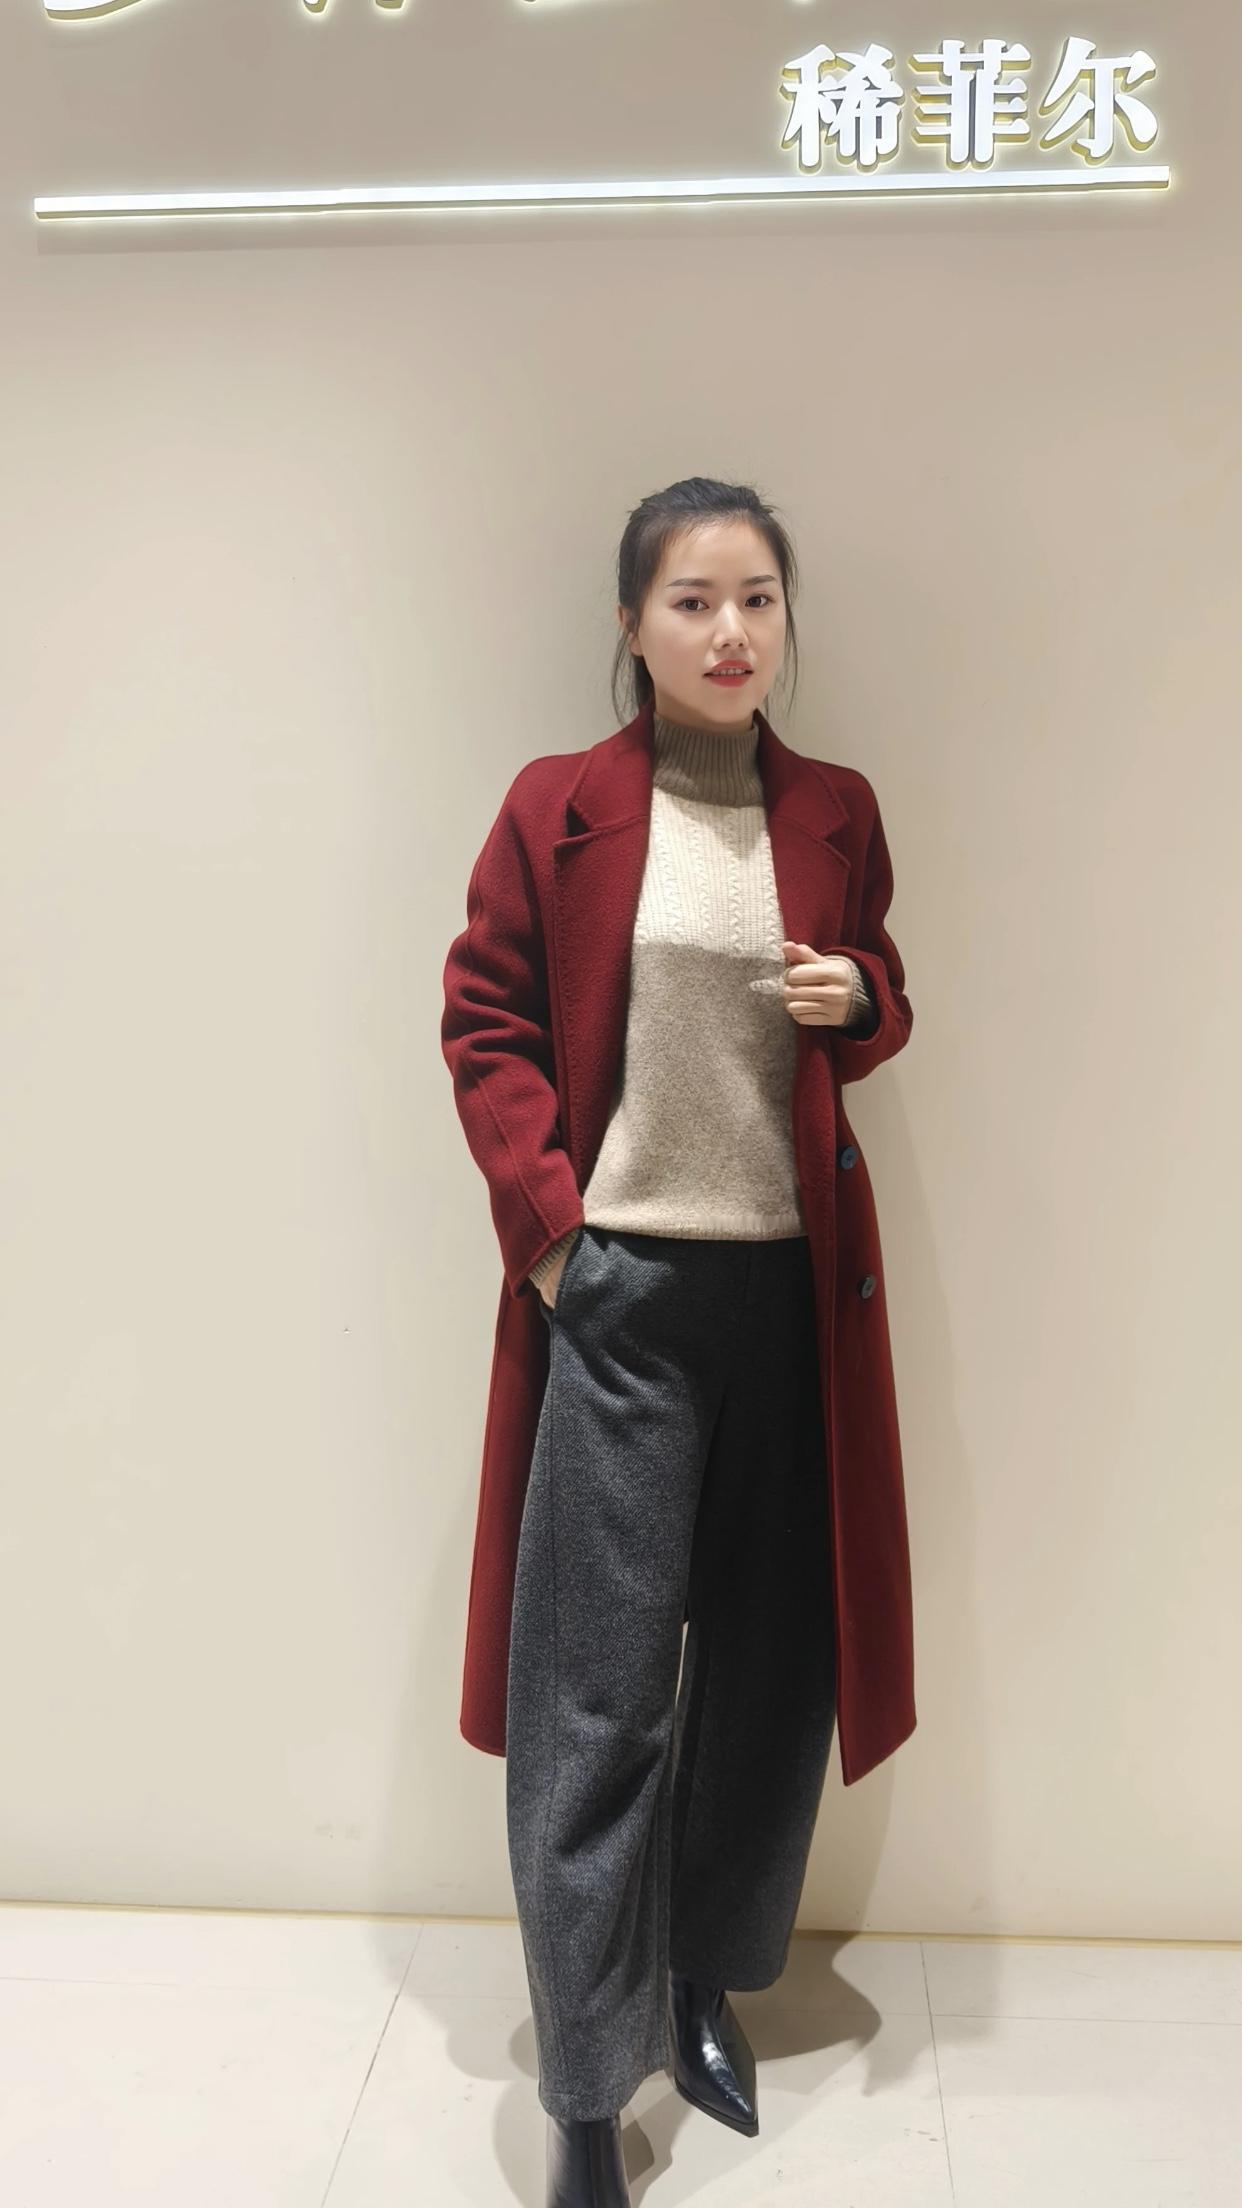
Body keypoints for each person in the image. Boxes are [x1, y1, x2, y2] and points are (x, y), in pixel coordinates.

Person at [441, 476, 915, 2208]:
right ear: (632, 624)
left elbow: (872, 985)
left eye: (757, 599)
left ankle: (705, 1978)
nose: (730, 633)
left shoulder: (834, 808)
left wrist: (862, 999)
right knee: (596, 1691)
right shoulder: (556, 805)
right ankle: (585, 2082)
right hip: (625, 1298)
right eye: (693, 600)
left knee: (774, 1672)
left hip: (791, 1300)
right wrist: (558, 1234)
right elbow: (485, 1017)